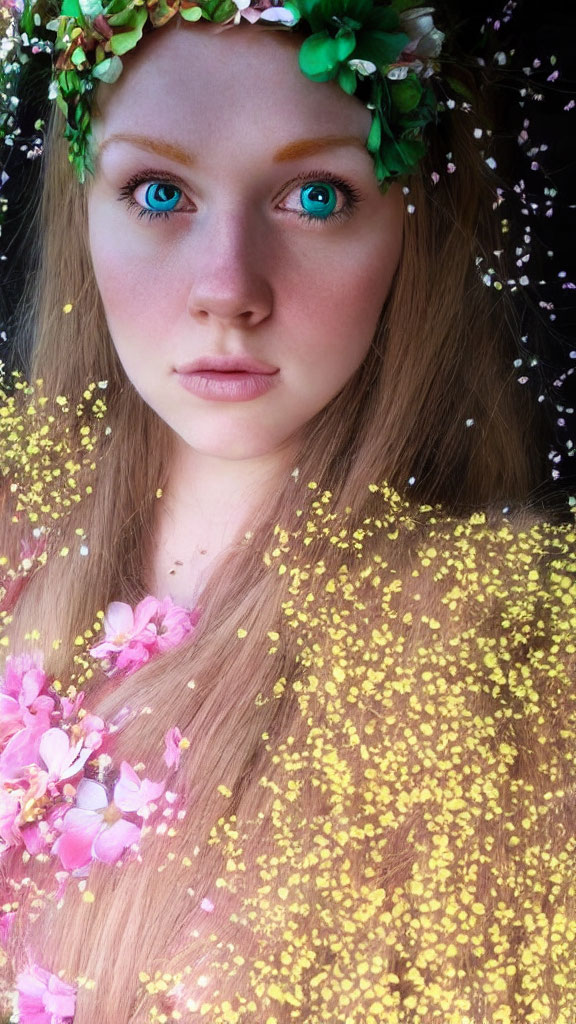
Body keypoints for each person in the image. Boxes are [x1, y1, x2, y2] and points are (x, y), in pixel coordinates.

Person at [0, 1, 574, 1022]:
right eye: (159, 190)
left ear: (409, 223)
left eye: (316, 194)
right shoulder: (16, 532)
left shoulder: (502, 684)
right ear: (81, 202)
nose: (230, 287)